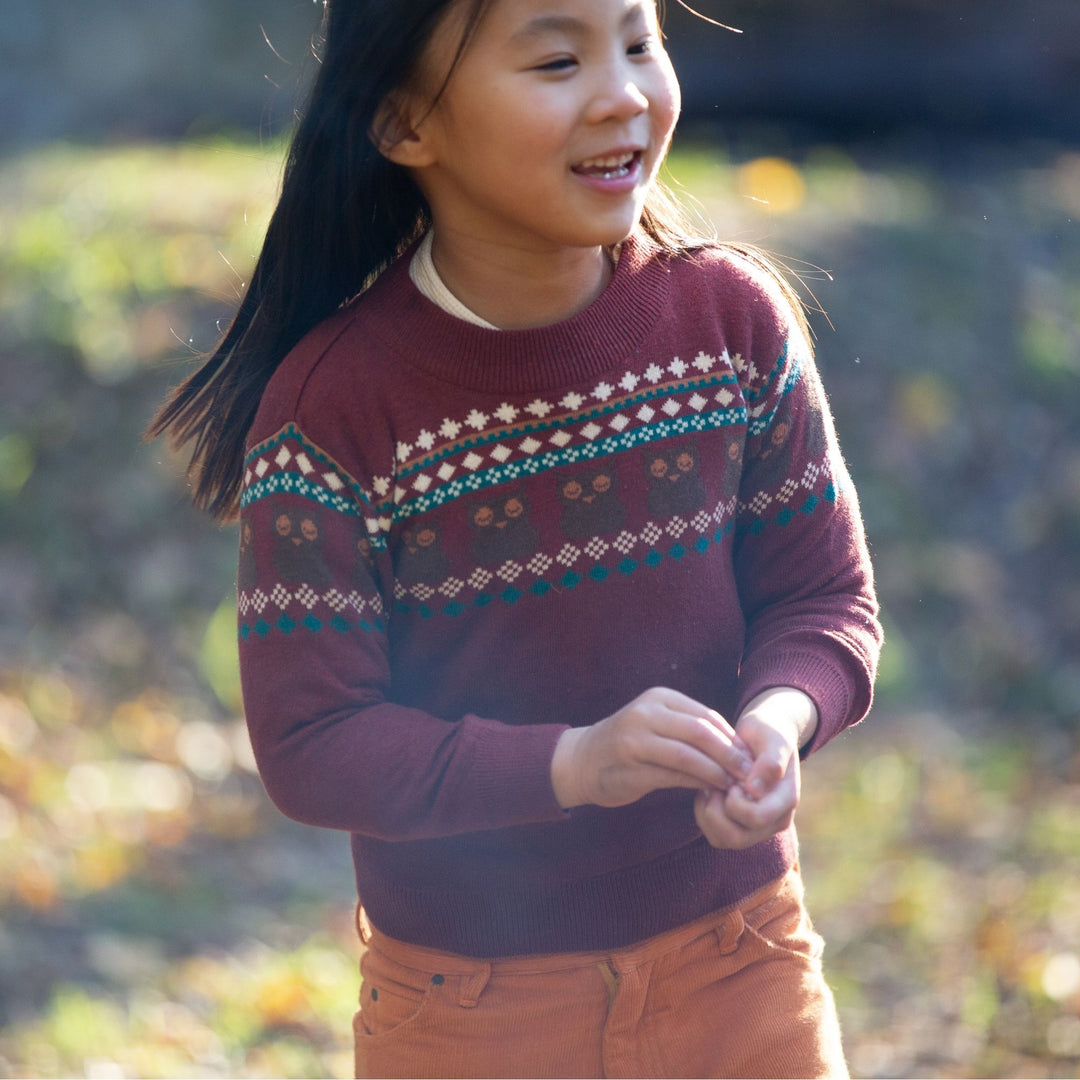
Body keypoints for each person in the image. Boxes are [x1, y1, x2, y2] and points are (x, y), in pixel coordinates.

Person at [148, 0, 882, 1076]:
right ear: (406, 125)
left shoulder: (731, 323)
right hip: (471, 1011)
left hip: (743, 964)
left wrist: (779, 719)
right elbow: (314, 741)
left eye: (640, 42)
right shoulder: (333, 413)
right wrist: (572, 765)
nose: (624, 91)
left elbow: (827, 602)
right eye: (556, 57)